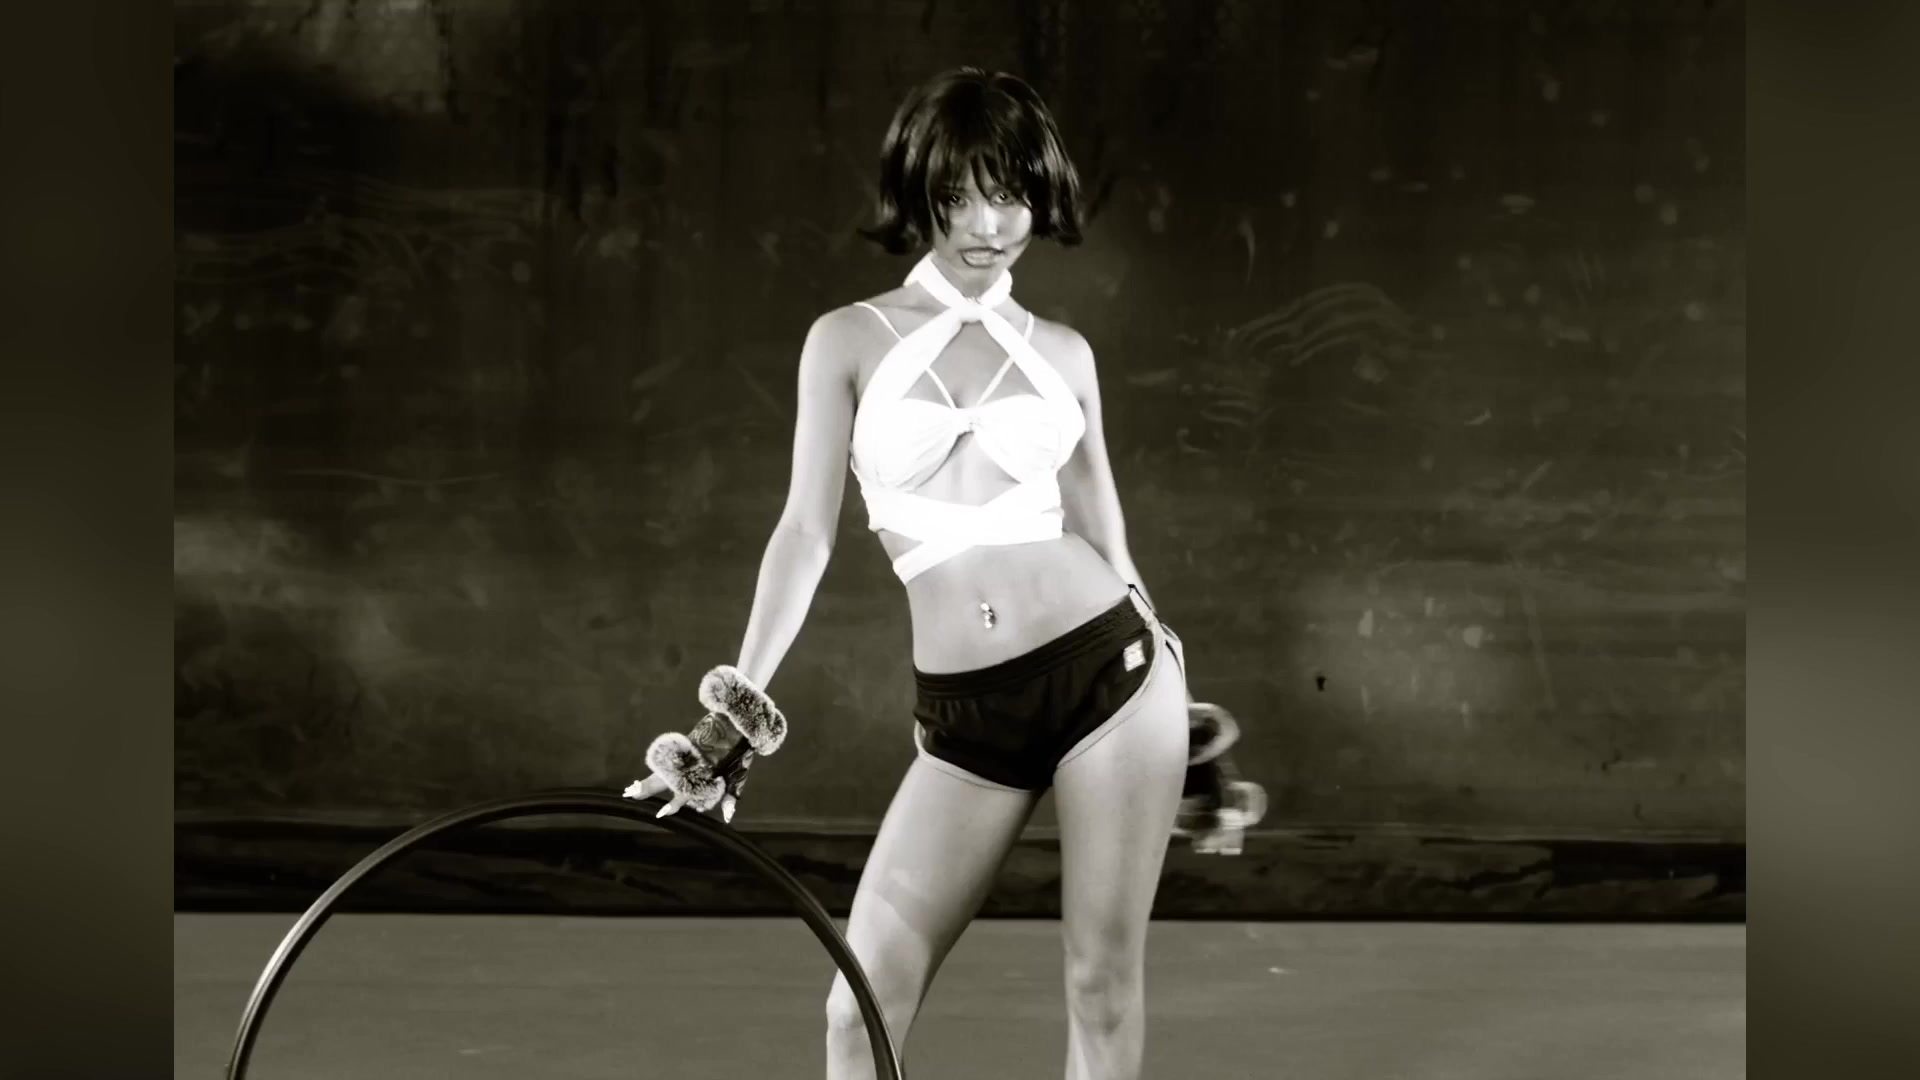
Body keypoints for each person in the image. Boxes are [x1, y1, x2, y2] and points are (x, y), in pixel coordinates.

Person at [629, 67, 1196, 1080]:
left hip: (1112, 680)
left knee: (1101, 987)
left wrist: (1183, 712)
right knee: (858, 1009)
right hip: (967, 714)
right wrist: (730, 716)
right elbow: (804, 532)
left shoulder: (1066, 354)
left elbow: (1106, 533)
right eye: (958, 196)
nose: (987, 224)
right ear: (919, 194)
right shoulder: (845, 340)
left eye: (1009, 194)